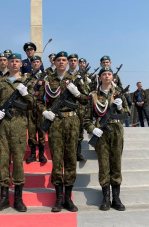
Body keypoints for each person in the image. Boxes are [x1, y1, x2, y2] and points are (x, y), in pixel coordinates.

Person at [36, 51, 88, 212]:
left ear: (68, 63)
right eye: (58, 60)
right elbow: (38, 101)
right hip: (56, 121)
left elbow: (86, 99)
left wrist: (77, 93)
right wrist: (44, 112)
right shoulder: (47, 80)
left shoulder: (76, 80)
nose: (61, 62)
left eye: (64, 60)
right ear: (54, 62)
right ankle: (58, 198)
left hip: (72, 121)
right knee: (57, 159)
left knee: (71, 159)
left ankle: (68, 198)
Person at [0, 53, 34, 213]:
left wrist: (26, 94)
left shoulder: (27, 82)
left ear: (21, 64)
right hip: (2, 125)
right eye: (11, 61)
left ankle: (18, 198)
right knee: (3, 160)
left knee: (18, 161)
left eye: (17, 61)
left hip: (19, 125)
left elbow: (33, 105)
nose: (14, 64)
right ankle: (4, 198)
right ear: (7, 63)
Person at [84, 66, 128, 211]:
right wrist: (92, 129)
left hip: (116, 131)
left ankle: (116, 198)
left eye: (109, 74)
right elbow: (86, 119)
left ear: (112, 78)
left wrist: (121, 107)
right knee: (104, 166)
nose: (107, 76)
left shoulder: (118, 95)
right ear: (100, 77)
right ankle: (105, 198)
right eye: (104, 74)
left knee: (116, 164)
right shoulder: (93, 96)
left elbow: (126, 114)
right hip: (101, 134)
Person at [25, 55, 47, 163]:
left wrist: (43, 83)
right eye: (33, 62)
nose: (35, 63)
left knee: (42, 131)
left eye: (37, 62)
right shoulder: (27, 76)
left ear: (41, 63)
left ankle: (42, 154)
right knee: (32, 131)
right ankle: (33, 153)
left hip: (41, 107)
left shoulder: (46, 76)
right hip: (30, 107)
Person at [67, 53, 87, 161]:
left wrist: (82, 83)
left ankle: (78, 153)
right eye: (71, 60)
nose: (73, 62)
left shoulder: (81, 75)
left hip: (80, 107)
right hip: (68, 107)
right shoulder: (64, 75)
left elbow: (86, 93)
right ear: (68, 62)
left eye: (75, 60)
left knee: (79, 131)